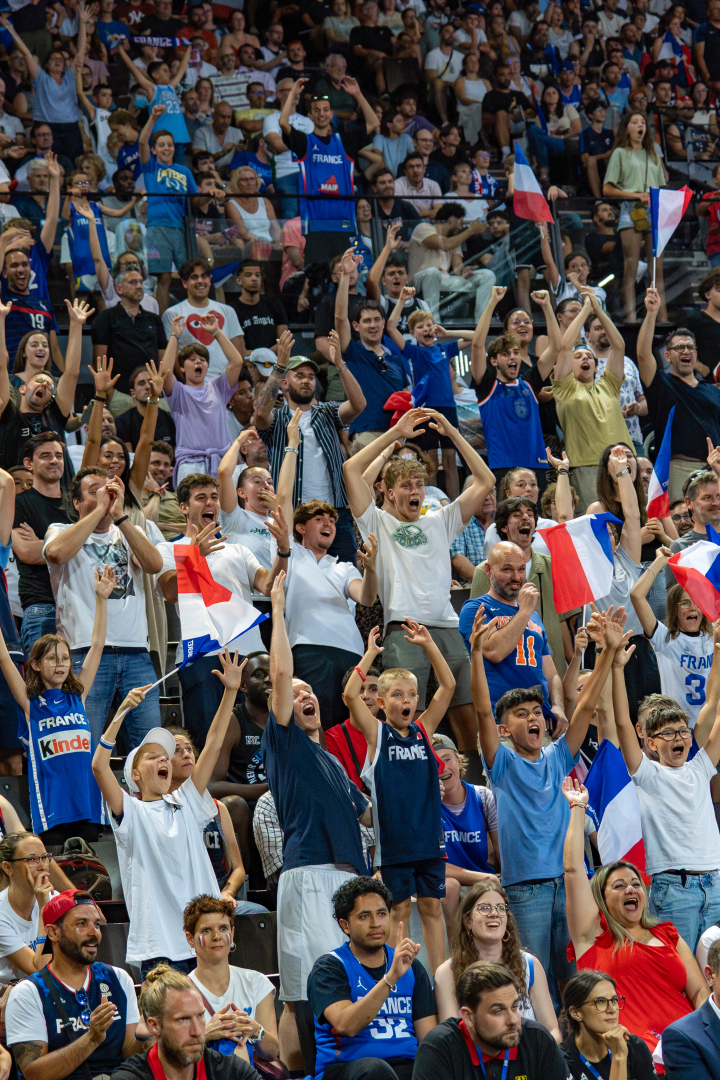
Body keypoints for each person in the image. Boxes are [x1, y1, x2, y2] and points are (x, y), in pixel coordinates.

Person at [473, 602, 625, 1007]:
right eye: (521, 714)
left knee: (582, 984)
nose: (533, 718)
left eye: (537, 712)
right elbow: (484, 710)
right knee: (538, 991)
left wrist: (606, 651)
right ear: (506, 729)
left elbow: (587, 704)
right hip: (525, 892)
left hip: (573, 883)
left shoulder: (559, 757)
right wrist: (474, 655)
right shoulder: (501, 763)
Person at [261, 574, 371, 1067]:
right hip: (309, 874)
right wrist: (279, 609)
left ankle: (327, 1065)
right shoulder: (284, 744)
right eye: (296, 691)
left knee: (331, 984)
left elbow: (370, 811)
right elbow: (281, 678)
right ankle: (304, 1072)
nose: (304, 695)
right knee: (306, 990)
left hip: (347, 876)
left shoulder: (332, 762)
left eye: (311, 691)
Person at [344, 408, 495, 756]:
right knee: (409, 724)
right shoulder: (376, 522)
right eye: (406, 486)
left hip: (447, 628)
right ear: (388, 492)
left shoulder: (439, 520)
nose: (415, 491)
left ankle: (472, 791)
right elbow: (351, 469)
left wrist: (453, 435)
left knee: (468, 726)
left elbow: (485, 481)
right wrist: (395, 432)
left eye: (419, 485)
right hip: (404, 629)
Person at [92, 649, 244, 978]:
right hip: (160, 945)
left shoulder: (187, 801)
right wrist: (120, 714)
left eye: (165, 756)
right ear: (134, 774)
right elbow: (98, 765)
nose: (163, 760)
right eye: (151, 756)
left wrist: (231, 691)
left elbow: (215, 742)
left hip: (206, 940)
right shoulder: (129, 811)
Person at [563, 772, 709, 1057]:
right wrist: (577, 808)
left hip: (687, 1049)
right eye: (618, 886)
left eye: (635, 884)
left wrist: (709, 1039)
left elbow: (700, 994)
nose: (631, 889)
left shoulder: (668, 935)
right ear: (600, 900)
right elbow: (572, 870)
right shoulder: (592, 936)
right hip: (632, 1058)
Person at [344, 621, 454, 975]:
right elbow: (348, 695)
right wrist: (372, 654)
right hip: (393, 844)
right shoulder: (376, 734)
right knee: (399, 911)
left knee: (433, 908)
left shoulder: (423, 729)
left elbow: (449, 685)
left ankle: (440, 979)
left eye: (411, 694)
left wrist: (429, 645)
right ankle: (397, 978)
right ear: (380, 702)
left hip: (428, 840)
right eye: (396, 694)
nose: (406, 700)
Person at [157, 471, 287, 747]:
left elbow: (269, 584)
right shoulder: (170, 549)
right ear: (184, 508)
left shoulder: (238, 550)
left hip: (248, 656)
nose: (210, 504)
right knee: (206, 741)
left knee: (257, 741)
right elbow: (169, 591)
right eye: (200, 498)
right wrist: (196, 555)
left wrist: (284, 550)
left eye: (214, 497)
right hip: (201, 654)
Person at [274, 409, 379, 729]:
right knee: (314, 730)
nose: (329, 525)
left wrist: (371, 569)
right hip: (308, 653)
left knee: (349, 733)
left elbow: (366, 597)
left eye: (333, 521)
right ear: (300, 527)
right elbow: (282, 499)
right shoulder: (288, 552)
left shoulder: (343, 566)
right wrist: (292, 445)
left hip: (351, 657)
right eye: (320, 519)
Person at [0, 564, 116, 841]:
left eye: (64, 658)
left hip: (86, 805)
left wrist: (101, 600)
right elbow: (4, 657)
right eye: (52, 658)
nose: (61, 664)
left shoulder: (78, 696)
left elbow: (97, 644)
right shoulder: (32, 704)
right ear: (36, 665)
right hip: (51, 811)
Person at [5, 889, 148, 1080]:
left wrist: (144, 1035)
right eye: (82, 924)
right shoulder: (29, 993)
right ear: (53, 932)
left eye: (97, 925)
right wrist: (92, 1038)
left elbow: (130, 1055)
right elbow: (34, 1073)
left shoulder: (119, 979)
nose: (94, 933)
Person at [253, 332, 366, 565]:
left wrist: (340, 365)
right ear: (284, 383)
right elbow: (261, 413)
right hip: (296, 517)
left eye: (311, 377)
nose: (307, 380)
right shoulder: (276, 419)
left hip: (335, 515)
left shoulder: (327, 412)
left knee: (345, 582)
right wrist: (280, 366)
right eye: (299, 376)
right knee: (298, 585)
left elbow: (359, 404)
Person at [309, 876, 437, 1080]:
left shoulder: (412, 966)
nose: (376, 923)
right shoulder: (330, 967)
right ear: (345, 925)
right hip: (349, 1069)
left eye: (382, 914)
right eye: (364, 916)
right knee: (376, 1071)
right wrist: (391, 978)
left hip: (406, 1067)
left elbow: (430, 1040)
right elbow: (346, 1025)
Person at [434, 880, 560, 1041]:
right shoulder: (447, 972)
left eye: (501, 908)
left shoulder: (530, 964)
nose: (494, 913)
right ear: (468, 921)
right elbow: (450, 1038)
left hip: (529, 1058)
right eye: (484, 908)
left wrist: (537, 1059)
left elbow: (552, 1030)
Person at [460, 542, 567, 725]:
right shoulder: (475, 609)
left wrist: (558, 706)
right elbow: (494, 652)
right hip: (501, 722)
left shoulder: (533, 616)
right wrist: (524, 611)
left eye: (521, 569)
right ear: (488, 570)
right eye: (507, 569)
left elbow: (551, 673)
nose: (516, 577)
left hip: (541, 719)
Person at [412, 961, 570, 1079]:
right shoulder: (438, 1048)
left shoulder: (538, 1039)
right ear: (468, 1017)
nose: (513, 1020)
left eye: (515, 1007)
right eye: (498, 1011)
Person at [279, 76, 378, 263]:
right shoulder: (304, 142)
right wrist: (292, 94)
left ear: (332, 113)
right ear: (310, 115)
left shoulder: (344, 142)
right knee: (319, 279)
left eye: (326, 110)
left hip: (344, 224)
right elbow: (283, 124)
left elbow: (373, 123)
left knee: (345, 277)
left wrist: (357, 94)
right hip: (316, 225)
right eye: (316, 111)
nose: (321, 114)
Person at [551, 288, 632, 513]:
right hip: (585, 467)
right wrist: (586, 309)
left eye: (589, 356)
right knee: (596, 525)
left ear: (597, 366)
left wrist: (598, 308)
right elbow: (565, 346)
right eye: (578, 357)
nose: (585, 357)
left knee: (630, 519)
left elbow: (619, 346)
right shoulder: (565, 388)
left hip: (621, 461)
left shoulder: (609, 385)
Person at [637, 288, 720, 504]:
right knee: (683, 523)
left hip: (715, 468)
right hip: (679, 469)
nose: (686, 351)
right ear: (667, 355)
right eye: (679, 347)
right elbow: (643, 354)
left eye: (690, 347)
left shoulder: (712, 390)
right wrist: (651, 314)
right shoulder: (661, 384)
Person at [111, 965, 262, 1080]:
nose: (197, 1031)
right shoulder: (129, 1077)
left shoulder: (231, 1071)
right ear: (154, 1026)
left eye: (200, 1016)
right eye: (182, 1019)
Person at [184, 895, 280, 1069]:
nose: (216, 936)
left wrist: (255, 1030)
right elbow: (170, 1055)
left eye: (223, 928)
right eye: (206, 930)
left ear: (232, 933)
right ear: (190, 938)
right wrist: (205, 1035)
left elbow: (272, 1052)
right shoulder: (179, 991)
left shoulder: (256, 982)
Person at [335, 246, 411, 453]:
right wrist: (345, 276)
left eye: (377, 319)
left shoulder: (395, 358)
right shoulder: (352, 351)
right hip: (366, 434)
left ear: (383, 322)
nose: (373, 325)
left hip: (397, 435)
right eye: (366, 321)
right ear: (356, 327)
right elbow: (340, 317)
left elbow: (406, 393)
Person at [631, 546, 714, 729]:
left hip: (711, 728)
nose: (692, 608)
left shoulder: (713, 637)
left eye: (697, 602)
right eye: (685, 603)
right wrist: (660, 561)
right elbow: (636, 595)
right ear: (674, 609)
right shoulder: (665, 638)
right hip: (679, 728)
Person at [602, 112, 667, 323]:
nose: (640, 126)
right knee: (631, 265)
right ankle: (631, 319)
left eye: (642, 123)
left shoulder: (653, 155)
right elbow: (607, 188)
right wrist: (635, 194)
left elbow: (661, 187)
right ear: (627, 128)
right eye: (634, 122)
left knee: (656, 269)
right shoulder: (620, 153)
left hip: (653, 209)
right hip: (631, 208)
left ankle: (662, 320)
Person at [11, 434, 70, 657]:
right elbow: (26, 552)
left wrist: (42, 543)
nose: (54, 460)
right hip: (42, 606)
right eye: (45, 456)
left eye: (58, 456)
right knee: (43, 688)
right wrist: (73, 543)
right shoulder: (18, 503)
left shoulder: (77, 502)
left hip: (79, 606)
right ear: (29, 464)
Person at [138, 103, 198, 314]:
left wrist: (214, 195)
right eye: (161, 145)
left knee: (190, 275)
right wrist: (153, 118)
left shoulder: (184, 171)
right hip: (157, 228)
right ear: (154, 149)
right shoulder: (151, 167)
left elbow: (195, 200)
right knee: (163, 277)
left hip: (181, 229)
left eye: (170, 145)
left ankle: (194, 315)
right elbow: (142, 142)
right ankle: (162, 322)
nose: (166, 148)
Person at [90, 266, 167, 412]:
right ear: (119, 289)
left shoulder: (155, 320)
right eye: (132, 282)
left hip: (152, 393)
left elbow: (162, 362)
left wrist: (158, 389)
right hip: (120, 395)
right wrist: (111, 394)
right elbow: (99, 361)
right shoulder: (105, 319)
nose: (138, 286)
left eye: (140, 282)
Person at [561, 970, 657, 1080]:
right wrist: (619, 1057)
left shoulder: (634, 1046)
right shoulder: (563, 1061)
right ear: (576, 1013)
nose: (612, 1009)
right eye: (600, 1002)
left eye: (614, 1000)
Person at [162, 258, 244, 385]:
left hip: (224, 385)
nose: (200, 281)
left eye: (204, 276)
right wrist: (189, 386)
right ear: (185, 283)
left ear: (210, 280)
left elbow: (238, 350)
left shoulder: (228, 311)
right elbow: (172, 358)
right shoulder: (172, 314)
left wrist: (230, 384)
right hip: (190, 386)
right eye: (194, 277)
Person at [408, 204, 495, 321]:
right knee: (432, 272)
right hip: (418, 281)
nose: (460, 227)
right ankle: (433, 323)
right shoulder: (423, 228)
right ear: (452, 219)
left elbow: (457, 269)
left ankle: (481, 322)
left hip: (444, 279)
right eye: (460, 222)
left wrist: (464, 271)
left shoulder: (453, 239)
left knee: (487, 275)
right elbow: (445, 245)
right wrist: (471, 230)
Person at [230, 261, 288, 355]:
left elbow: (284, 343)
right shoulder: (232, 310)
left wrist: (264, 356)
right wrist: (261, 357)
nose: (254, 279)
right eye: (248, 275)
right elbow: (239, 352)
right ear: (238, 281)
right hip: (247, 365)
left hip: (273, 362)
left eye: (257, 275)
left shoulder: (274, 304)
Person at [115, 367, 176, 451]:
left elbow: (173, 454)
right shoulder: (122, 422)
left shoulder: (169, 419)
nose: (148, 386)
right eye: (141, 383)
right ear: (133, 393)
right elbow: (129, 457)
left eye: (151, 382)